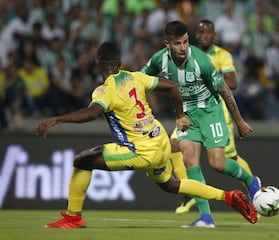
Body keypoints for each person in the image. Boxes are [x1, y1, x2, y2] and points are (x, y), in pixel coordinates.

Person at [34, 41, 258, 228]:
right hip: (161, 141)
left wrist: (56, 119)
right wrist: (180, 114)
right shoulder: (136, 77)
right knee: (170, 184)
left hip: (141, 149)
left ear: (97, 62)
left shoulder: (106, 89)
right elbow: (171, 86)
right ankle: (227, 197)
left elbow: (92, 113)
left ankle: (73, 217)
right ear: (119, 63)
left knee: (82, 160)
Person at [141, 21, 261, 228]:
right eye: (177, 43)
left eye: (186, 42)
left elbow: (225, 90)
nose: (183, 48)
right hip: (186, 115)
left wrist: (239, 121)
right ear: (167, 44)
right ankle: (206, 218)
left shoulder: (201, 61)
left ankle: (251, 181)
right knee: (190, 162)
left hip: (210, 112)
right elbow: (140, 80)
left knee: (217, 163)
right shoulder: (158, 60)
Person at [172, 19, 258, 215]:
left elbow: (233, 83)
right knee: (175, 145)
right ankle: (191, 194)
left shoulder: (222, 55)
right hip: (191, 110)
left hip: (216, 111)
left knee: (226, 159)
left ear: (213, 35)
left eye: (207, 32)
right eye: (200, 32)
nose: (204, 36)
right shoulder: (186, 53)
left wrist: (209, 75)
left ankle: (252, 184)